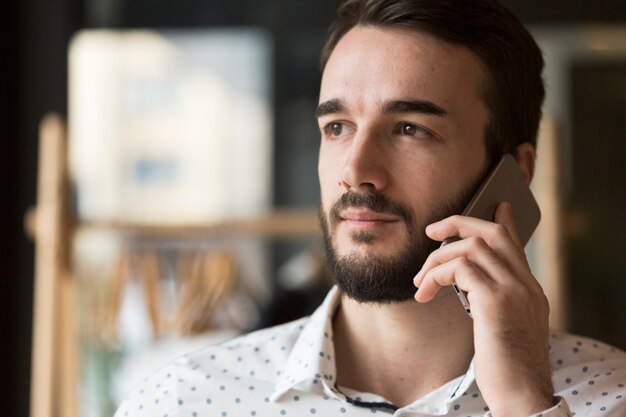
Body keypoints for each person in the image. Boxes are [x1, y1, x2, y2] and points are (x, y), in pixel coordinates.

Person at [115, 1, 626, 416]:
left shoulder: (611, 396)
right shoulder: (178, 402)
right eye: (337, 127)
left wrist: (524, 406)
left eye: (410, 129)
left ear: (515, 173)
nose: (355, 170)